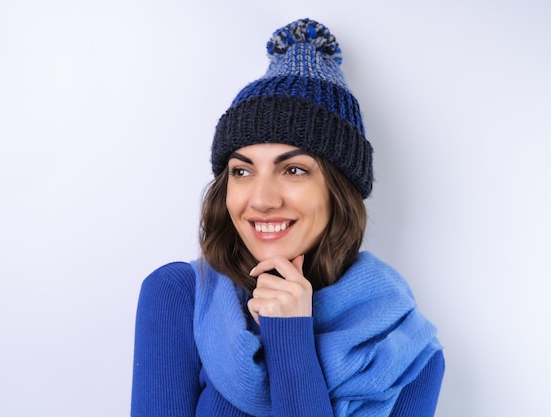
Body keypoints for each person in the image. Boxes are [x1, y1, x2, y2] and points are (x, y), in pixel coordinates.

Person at [131, 18, 444, 417]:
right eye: (242, 171)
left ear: (338, 188)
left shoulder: (407, 348)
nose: (261, 200)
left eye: (293, 169)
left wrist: (289, 335)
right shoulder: (182, 296)